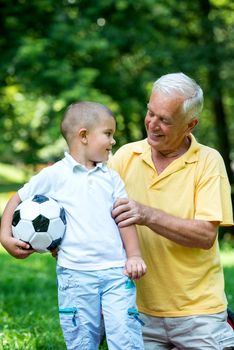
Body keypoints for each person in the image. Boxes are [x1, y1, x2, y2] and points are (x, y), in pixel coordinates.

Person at [0, 101, 147, 350]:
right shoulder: (54, 175)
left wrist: (133, 255)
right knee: (81, 341)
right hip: (75, 276)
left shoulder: (111, 178)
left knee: (127, 337)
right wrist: (5, 237)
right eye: (108, 134)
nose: (113, 142)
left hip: (115, 274)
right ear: (84, 136)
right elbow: (17, 199)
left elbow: (124, 218)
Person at [109, 72, 234, 350]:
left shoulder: (208, 162)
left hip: (198, 313)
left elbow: (205, 235)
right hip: (136, 309)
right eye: (150, 113)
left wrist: (147, 214)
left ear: (191, 124)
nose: (152, 124)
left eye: (165, 120)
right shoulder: (125, 157)